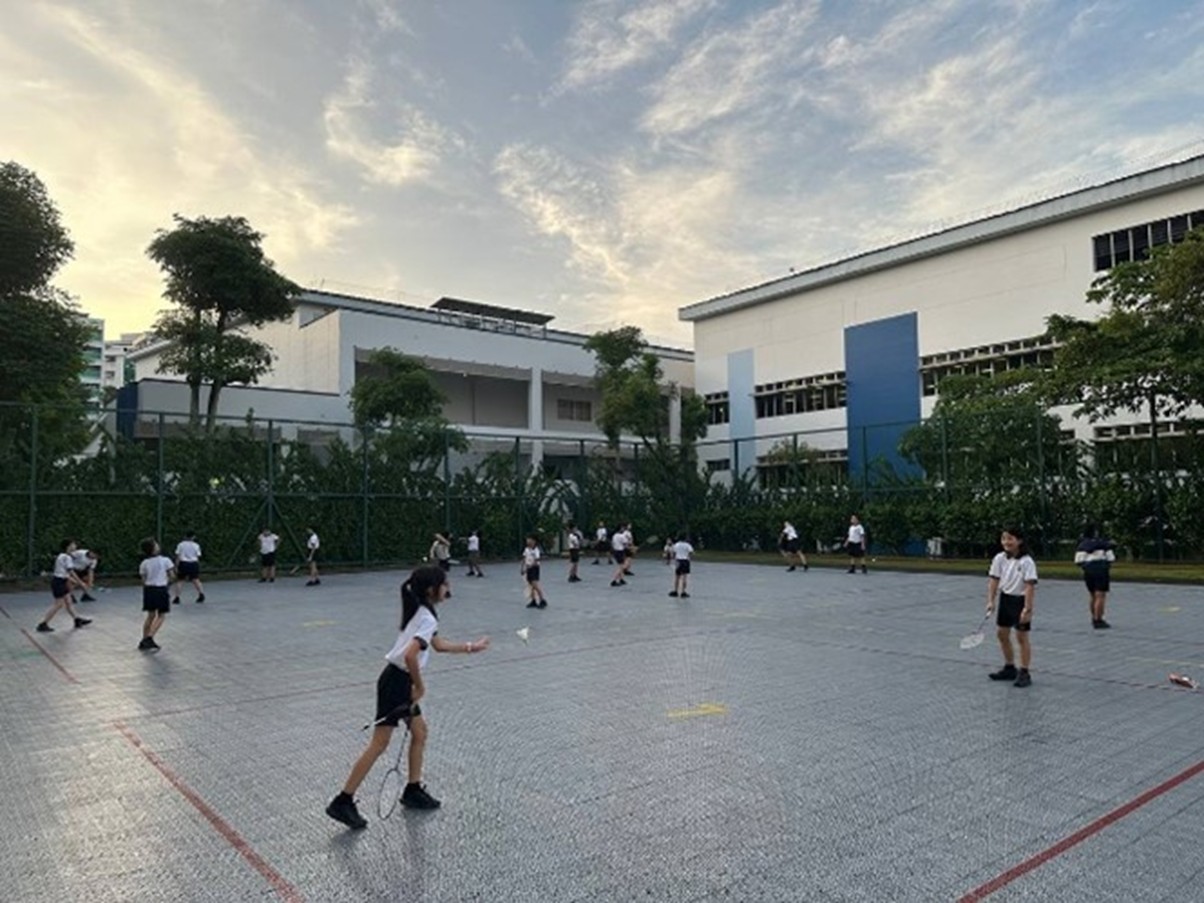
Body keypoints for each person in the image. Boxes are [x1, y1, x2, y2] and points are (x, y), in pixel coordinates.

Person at [326, 566, 490, 829]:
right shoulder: (426, 618)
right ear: (430, 590)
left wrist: (472, 647)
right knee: (379, 744)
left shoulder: (423, 612)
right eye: (445, 584)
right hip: (397, 683)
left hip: (396, 680)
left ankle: (413, 790)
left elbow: (439, 645)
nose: (448, 589)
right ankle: (343, 800)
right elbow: (411, 655)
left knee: (420, 732)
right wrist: (419, 687)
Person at [985, 527, 1038, 688]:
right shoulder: (999, 558)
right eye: (1004, 539)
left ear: (1019, 541)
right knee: (1002, 634)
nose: (1006, 542)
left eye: (1010, 538)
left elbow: (1029, 586)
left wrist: (1027, 609)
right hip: (1006, 599)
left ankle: (1024, 672)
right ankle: (1009, 668)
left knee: (1022, 638)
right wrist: (991, 601)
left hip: (1021, 601)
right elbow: (994, 580)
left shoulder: (1027, 561)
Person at [36, 540, 92, 632]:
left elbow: (65, 574)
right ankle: (43, 624)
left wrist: (77, 582)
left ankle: (77, 620)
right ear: (68, 546)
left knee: (69, 602)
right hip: (59, 583)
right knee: (58, 604)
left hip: (60, 581)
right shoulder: (66, 557)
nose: (75, 546)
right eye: (73, 544)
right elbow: (71, 572)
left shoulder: (62, 556)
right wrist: (81, 583)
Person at [1075, 525, 1116, 629]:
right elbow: (1111, 558)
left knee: (1092, 595)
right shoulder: (1103, 544)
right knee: (1100, 595)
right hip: (1100, 570)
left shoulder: (1082, 545)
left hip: (1088, 571)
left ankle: (1093, 617)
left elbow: (1078, 561)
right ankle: (1099, 620)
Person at [138, 538, 175, 652]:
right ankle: (150, 637)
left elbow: (143, 580)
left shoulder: (144, 563)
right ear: (154, 548)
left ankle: (143, 639)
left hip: (149, 590)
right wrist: (167, 583)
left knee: (150, 615)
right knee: (161, 615)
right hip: (161, 589)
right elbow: (172, 576)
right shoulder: (166, 560)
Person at [172, 531, 205, 604]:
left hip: (183, 563)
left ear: (185, 536)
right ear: (193, 537)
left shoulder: (180, 545)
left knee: (180, 580)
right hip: (193, 563)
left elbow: (178, 556)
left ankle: (177, 597)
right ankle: (201, 594)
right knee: (196, 580)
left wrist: (176, 566)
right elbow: (198, 556)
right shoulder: (196, 545)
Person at [522, 535, 547, 608]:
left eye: (529, 540)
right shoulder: (526, 549)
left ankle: (542, 600)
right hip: (528, 568)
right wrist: (522, 568)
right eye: (527, 540)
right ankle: (533, 600)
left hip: (534, 568)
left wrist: (531, 566)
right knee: (530, 585)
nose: (528, 541)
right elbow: (524, 558)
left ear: (534, 541)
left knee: (535, 585)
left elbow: (537, 560)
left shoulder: (536, 550)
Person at [668, 534, 694, 598]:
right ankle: (683, 592)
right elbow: (691, 552)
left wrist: (673, 559)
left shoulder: (677, 545)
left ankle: (675, 591)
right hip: (685, 561)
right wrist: (689, 558)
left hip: (678, 561)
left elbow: (673, 553)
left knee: (677, 577)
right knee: (684, 577)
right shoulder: (687, 545)